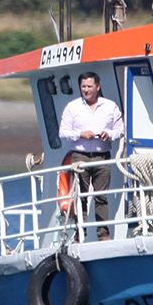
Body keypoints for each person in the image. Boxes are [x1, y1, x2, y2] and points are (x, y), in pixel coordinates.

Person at [56, 71, 125, 240]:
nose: (86, 90)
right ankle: (81, 234)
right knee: (81, 196)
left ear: (97, 87)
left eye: (89, 86)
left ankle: (103, 234)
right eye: (83, 87)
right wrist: (80, 134)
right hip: (80, 156)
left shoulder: (110, 106)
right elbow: (63, 133)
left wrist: (109, 134)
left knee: (101, 197)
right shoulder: (73, 107)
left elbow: (121, 129)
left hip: (102, 156)